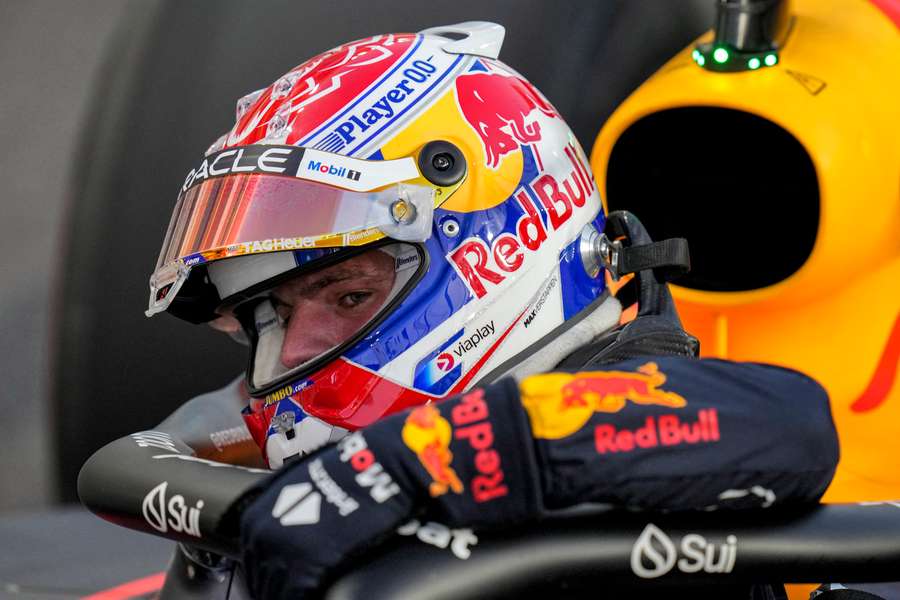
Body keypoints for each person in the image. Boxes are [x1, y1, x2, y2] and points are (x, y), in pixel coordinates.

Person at [85, 22, 838, 598]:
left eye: (349, 295)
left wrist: (420, 463)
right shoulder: (299, 411)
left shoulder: (665, 422)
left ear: (494, 249)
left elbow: (791, 422)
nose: (287, 357)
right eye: (273, 316)